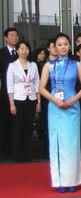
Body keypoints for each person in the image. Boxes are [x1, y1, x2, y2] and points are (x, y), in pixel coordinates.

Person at [39, 33, 81, 193]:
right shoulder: (48, 66)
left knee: (71, 144)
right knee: (57, 143)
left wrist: (73, 100)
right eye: (59, 44)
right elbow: (40, 88)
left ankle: (72, 180)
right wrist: (55, 100)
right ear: (54, 47)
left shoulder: (77, 65)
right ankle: (59, 180)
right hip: (55, 108)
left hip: (72, 107)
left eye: (65, 44)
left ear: (70, 46)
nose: (63, 47)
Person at [7, 40, 40, 162]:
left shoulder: (33, 65)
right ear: (17, 51)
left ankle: (28, 154)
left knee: (28, 128)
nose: (24, 51)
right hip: (18, 100)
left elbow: (37, 83)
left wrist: (38, 101)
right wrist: (11, 104)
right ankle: (18, 155)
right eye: (21, 48)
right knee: (17, 128)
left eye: (26, 48)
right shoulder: (12, 66)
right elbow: (10, 86)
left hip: (31, 99)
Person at [1, 27, 20, 157]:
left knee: (18, 122)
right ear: (6, 38)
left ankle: (17, 150)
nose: (15, 38)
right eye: (12, 35)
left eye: (16, 35)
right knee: (5, 122)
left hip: (21, 93)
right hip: (5, 94)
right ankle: (5, 150)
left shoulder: (22, 52)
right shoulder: (1, 53)